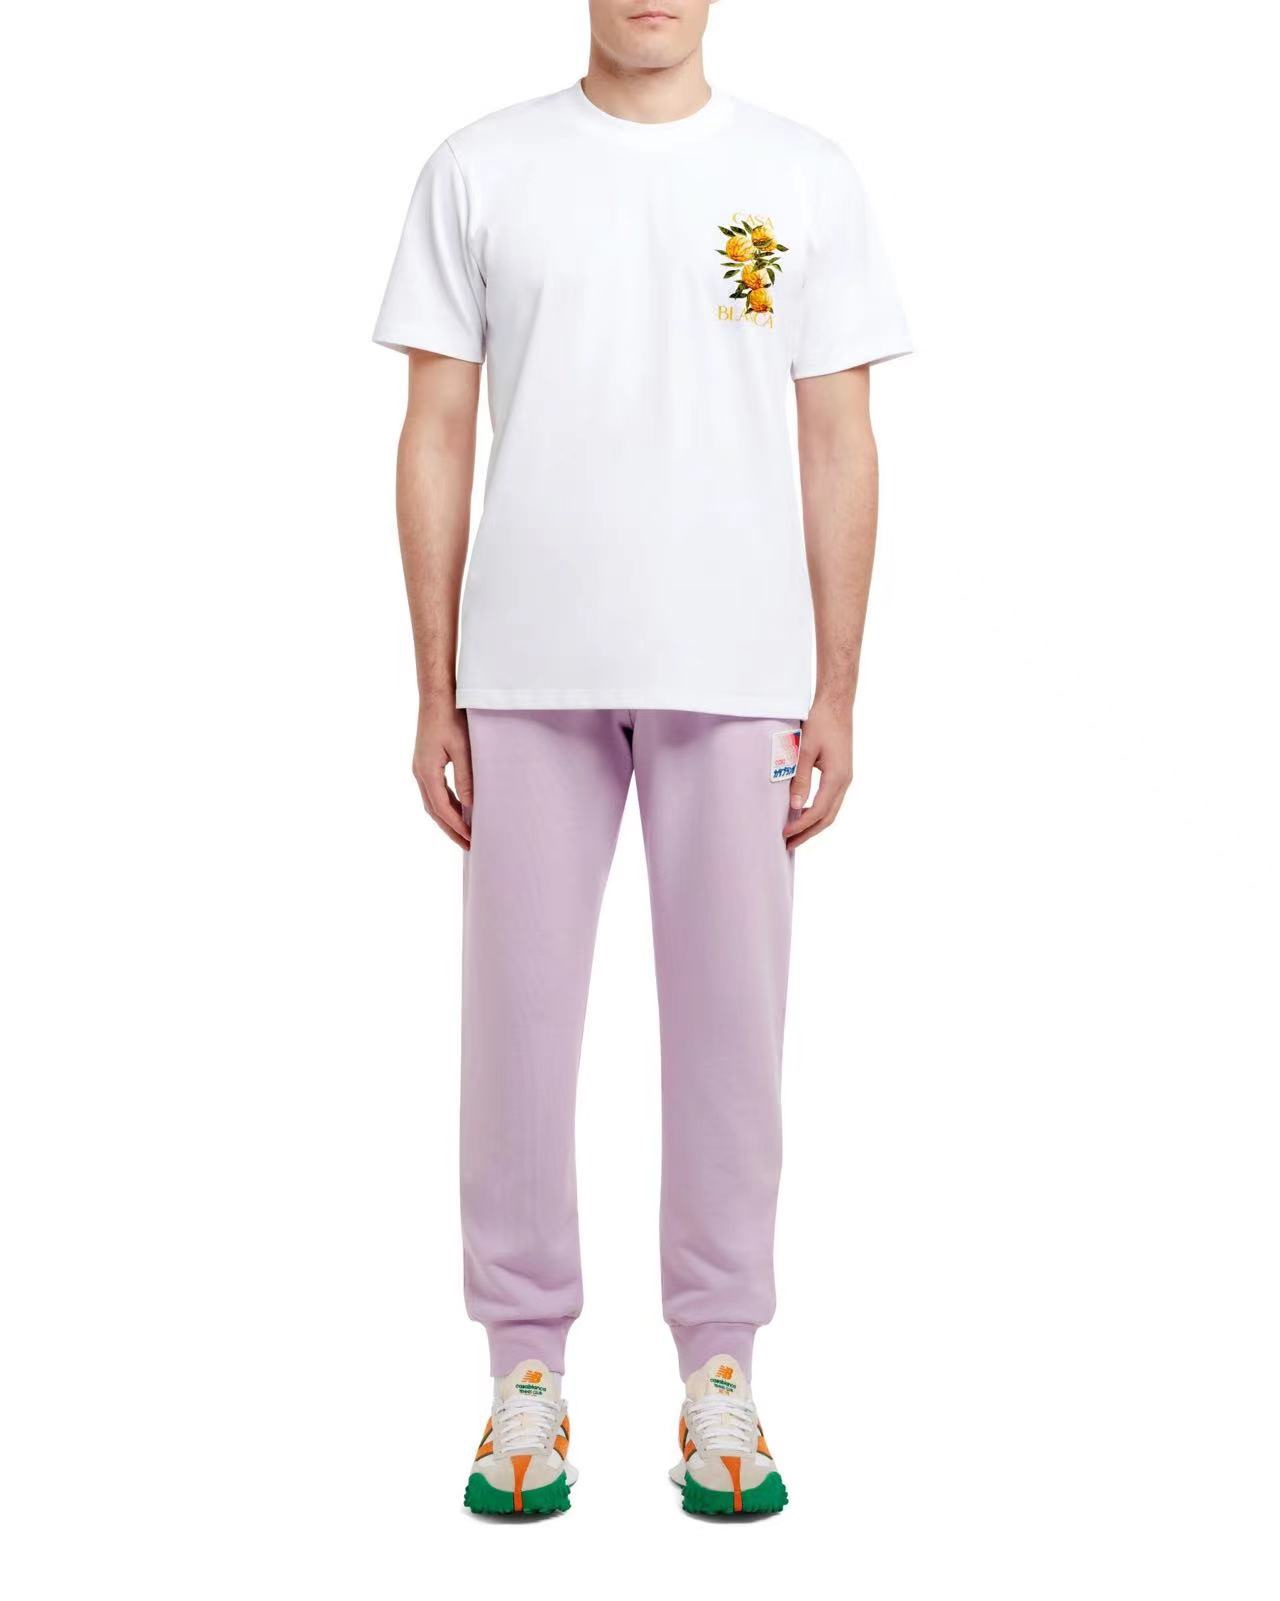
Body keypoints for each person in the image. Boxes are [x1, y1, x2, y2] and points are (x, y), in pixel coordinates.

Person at [374, 0, 909, 1518]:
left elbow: (839, 438)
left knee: (734, 1035)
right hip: (527, 672)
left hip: (738, 677)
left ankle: (719, 1365)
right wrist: (434, 687)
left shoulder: (801, 178)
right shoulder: (481, 168)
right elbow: (435, 431)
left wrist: (840, 687)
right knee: (516, 1033)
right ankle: (523, 1375)